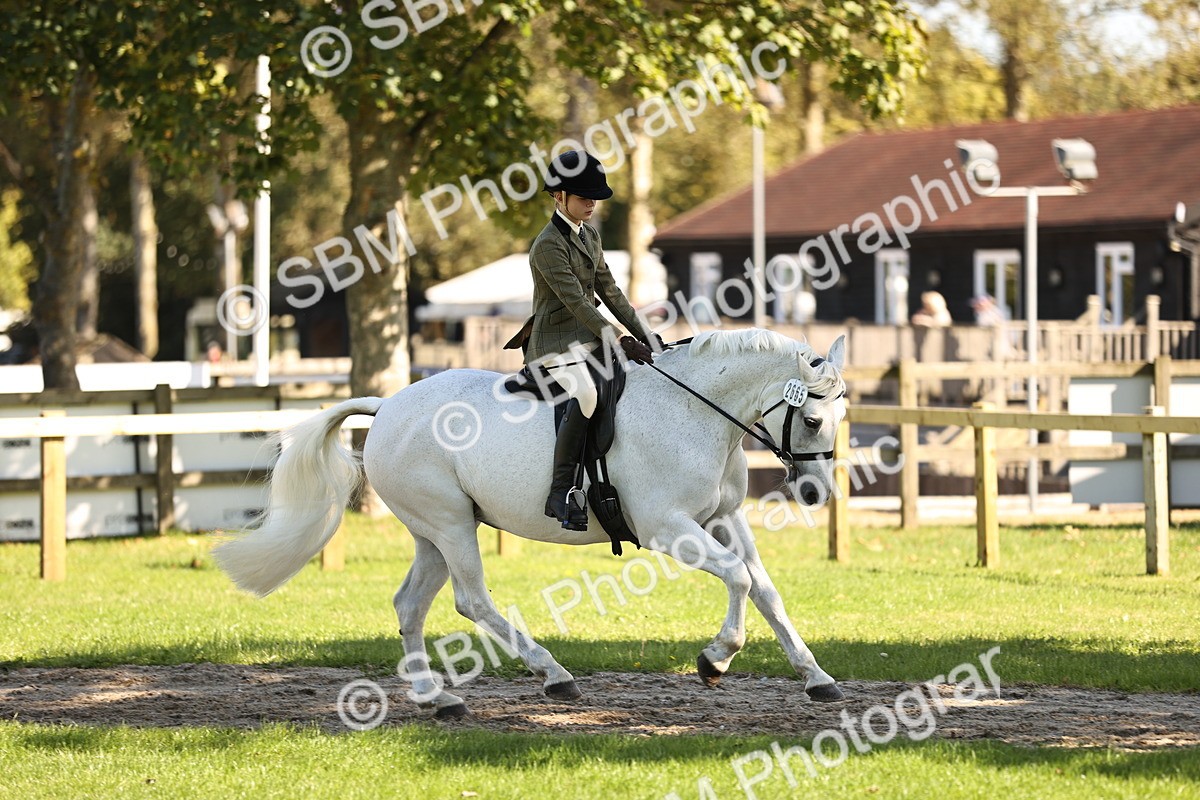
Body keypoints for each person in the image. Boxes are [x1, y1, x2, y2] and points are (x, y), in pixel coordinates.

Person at [504, 149, 656, 531]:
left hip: (589, 341)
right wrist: (620, 339)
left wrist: (648, 335)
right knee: (587, 394)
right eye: (583, 196)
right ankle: (561, 492)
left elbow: (611, 291)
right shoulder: (547, 246)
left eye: (594, 197)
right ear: (558, 196)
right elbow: (576, 303)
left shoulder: (590, 236)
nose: (591, 203)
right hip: (554, 344)